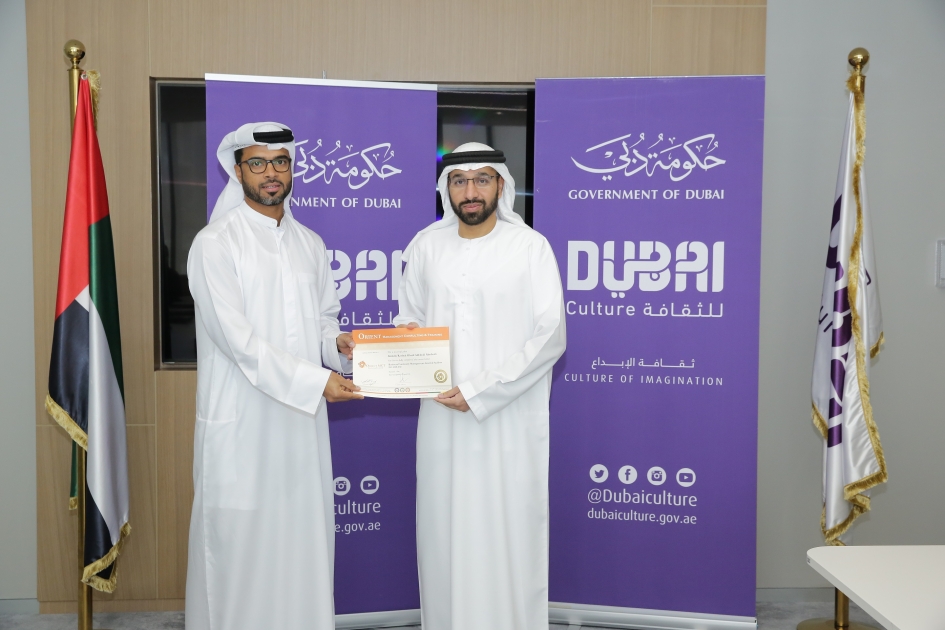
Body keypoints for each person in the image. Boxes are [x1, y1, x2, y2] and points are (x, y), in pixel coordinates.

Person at [185, 122, 361, 630]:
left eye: (280, 162)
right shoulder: (215, 244)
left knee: (301, 542)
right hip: (242, 422)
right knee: (241, 548)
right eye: (258, 163)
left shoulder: (310, 243)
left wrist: (337, 345)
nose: (270, 173)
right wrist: (316, 382)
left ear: (292, 168)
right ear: (237, 170)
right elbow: (237, 340)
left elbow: (322, 319)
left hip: (300, 426)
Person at [394, 142, 567, 630]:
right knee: (444, 531)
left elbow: (551, 335)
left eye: (481, 179)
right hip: (441, 419)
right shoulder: (425, 247)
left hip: (508, 419)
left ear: (501, 186)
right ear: (446, 188)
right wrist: (405, 343)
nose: (470, 191)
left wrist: (482, 390)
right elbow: (408, 319)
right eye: (459, 180)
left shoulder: (530, 247)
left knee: (506, 530)